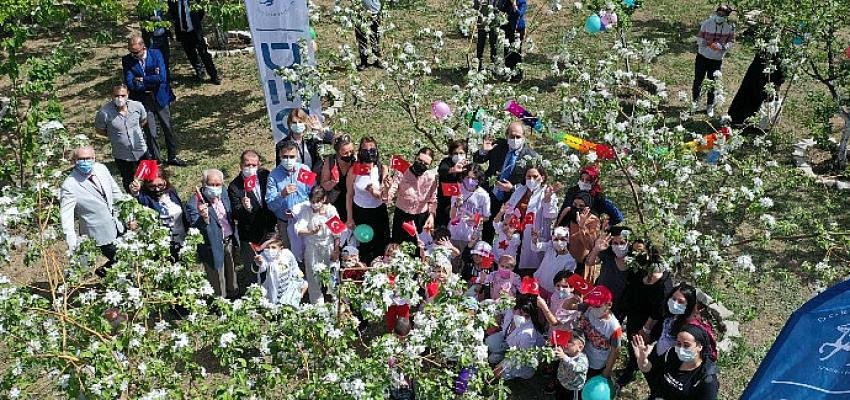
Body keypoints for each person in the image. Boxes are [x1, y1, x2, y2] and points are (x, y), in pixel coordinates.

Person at [60, 146, 126, 271]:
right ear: (74, 160)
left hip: (118, 223)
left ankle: (104, 272)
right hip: (99, 233)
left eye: (88, 158)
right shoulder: (69, 185)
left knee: (126, 258)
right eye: (81, 159)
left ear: (94, 158)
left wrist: (127, 215)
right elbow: (66, 218)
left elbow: (115, 192)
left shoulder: (101, 169)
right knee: (121, 262)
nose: (85, 162)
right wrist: (72, 243)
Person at [122, 35, 185, 166]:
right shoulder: (127, 60)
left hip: (160, 96)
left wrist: (141, 79)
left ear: (143, 46)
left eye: (136, 51)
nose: (134, 54)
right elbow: (130, 83)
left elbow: (162, 77)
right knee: (150, 132)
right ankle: (157, 160)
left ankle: (172, 156)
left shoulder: (156, 54)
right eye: (131, 52)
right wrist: (149, 79)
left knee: (167, 127)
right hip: (143, 99)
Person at [617, 244, 673, 388]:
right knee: (631, 344)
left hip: (647, 323)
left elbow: (658, 311)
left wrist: (646, 330)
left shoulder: (664, 285)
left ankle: (631, 371)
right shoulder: (640, 266)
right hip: (634, 314)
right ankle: (632, 365)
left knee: (639, 346)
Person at [473, 121, 537, 242]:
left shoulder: (531, 156)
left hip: (512, 199)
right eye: (512, 136)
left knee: (508, 234)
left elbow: (531, 180)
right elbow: (477, 159)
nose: (515, 139)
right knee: (488, 228)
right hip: (491, 194)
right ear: (507, 135)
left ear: (524, 137)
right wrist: (484, 150)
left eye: (518, 137)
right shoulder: (498, 145)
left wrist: (513, 188)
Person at [185, 169, 239, 298]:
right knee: (217, 276)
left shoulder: (224, 193)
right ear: (203, 184)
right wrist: (204, 218)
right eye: (211, 184)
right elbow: (194, 228)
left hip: (228, 240)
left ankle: (234, 294)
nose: (215, 188)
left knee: (231, 270)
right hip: (212, 245)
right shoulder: (194, 204)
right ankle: (220, 301)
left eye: (218, 184)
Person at [632, 325, 719, 400]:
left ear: (699, 347)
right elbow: (653, 373)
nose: (681, 349)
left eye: (686, 345)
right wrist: (642, 361)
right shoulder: (672, 354)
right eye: (678, 344)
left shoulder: (707, 380)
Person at [227, 150, 277, 281]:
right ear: (241, 166)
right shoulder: (234, 186)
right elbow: (236, 213)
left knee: (272, 264)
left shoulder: (265, 175)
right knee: (253, 268)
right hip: (250, 234)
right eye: (247, 165)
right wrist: (246, 208)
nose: (250, 168)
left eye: (254, 165)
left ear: (259, 165)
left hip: (269, 229)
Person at [503, 165, 560, 274]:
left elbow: (551, 215)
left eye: (535, 176)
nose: (531, 180)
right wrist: (507, 222)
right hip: (515, 233)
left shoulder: (547, 192)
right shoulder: (520, 190)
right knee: (512, 263)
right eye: (528, 177)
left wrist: (547, 199)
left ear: (542, 178)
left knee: (530, 269)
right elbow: (509, 207)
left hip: (533, 235)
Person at [94, 84, 149, 190]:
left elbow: (143, 120)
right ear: (112, 96)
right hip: (121, 154)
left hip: (141, 149)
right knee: (128, 180)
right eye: (116, 96)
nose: (120, 98)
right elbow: (100, 130)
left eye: (123, 95)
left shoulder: (137, 106)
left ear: (128, 94)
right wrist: (116, 135)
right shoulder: (104, 113)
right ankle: (133, 200)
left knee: (149, 175)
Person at [345, 136, 390, 264]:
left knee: (381, 245)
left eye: (372, 149)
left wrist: (385, 187)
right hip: (361, 213)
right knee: (364, 245)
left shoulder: (382, 168)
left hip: (379, 212)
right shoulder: (354, 170)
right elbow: (349, 195)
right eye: (365, 150)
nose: (369, 153)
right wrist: (349, 217)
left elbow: (385, 196)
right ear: (360, 152)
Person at [266, 140, 313, 263]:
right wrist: (282, 194)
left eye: (291, 157)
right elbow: (270, 204)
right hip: (285, 222)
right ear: (280, 157)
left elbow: (313, 192)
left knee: (309, 251)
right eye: (285, 157)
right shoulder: (273, 176)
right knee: (290, 254)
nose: (288, 160)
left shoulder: (305, 169)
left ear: (297, 156)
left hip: (304, 218)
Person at [293, 186, 341, 304]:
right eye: (312, 202)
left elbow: (337, 232)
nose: (315, 204)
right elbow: (299, 229)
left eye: (317, 201)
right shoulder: (306, 210)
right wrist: (311, 232)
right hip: (312, 247)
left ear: (324, 199)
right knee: (313, 276)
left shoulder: (331, 210)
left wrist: (336, 250)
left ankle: (336, 300)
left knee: (333, 274)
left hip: (328, 245)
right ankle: (317, 304)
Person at [128, 169, 186, 260]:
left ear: (165, 182)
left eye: (160, 185)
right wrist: (135, 192)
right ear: (146, 186)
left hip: (182, 238)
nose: (157, 189)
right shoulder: (146, 198)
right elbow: (138, 198)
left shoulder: (171, 192)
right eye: (152, 186)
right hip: (163, 244)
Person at [386, 147, 438, 246]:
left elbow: (433, 200)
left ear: (429, 165)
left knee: (419, 247)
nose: (421, 164)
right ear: (415, 158)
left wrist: (431, 216)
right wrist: (386, 189)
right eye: (420, 160)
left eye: (426, 164)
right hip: (402, 216)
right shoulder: (402, 172)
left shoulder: (431, 178)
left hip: (421, 218)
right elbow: (390, 193)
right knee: (398, 247)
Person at [487, 294, 545, 380]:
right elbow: (497, 307)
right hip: (510, 344)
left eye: (527, 316)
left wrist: (503, 365)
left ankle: (524, 372)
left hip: (521, 357)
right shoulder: (511, 310)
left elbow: (520, 356)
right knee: (490, 342)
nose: (522, 318)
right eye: (521, 313)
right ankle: (502, 355)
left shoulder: (527, 335)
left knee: (498, 372)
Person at [692, 4, 735, 118]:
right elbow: (699, 38)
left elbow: (731, 42)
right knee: (698, 80)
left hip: (716, 60)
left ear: (726, 16)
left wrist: (722, 47)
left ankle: (709, 104)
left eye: (723, 15)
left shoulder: (729, 28)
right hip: (702, 56)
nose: (720, 16)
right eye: (718, 14)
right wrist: (708, 44)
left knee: (713, 83)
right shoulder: (707, 23)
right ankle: (695, 102)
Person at [585, 226, 633, 321]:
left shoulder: (635, 263)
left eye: (622, 243)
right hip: (598, 299)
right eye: (615, 243)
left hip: (617, 307)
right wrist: (596, 249)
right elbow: (589, 262)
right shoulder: (607, 255)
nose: (619, 246)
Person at [168, 0, 220, 84]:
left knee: (203, 53)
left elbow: (201, 12)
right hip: (183, 32)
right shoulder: (173, 1)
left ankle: (214, 75)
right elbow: (173, 14)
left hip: (195, 31)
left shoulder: (194, 1)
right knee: (190, 54)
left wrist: (196, 22)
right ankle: (200, 72)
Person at [728, 51, 785, 127]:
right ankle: (738, 118)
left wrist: (779, 82)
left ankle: (758, 123)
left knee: (765, 95)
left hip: (776, 68)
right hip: (761, 62)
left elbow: (797, 42)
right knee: (750, 88)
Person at [577, 285, 622, 379]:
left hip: (596, 363)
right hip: (582, 354)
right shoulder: (589, 310)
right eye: (591, 305)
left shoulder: (614, 328)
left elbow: (615, 351)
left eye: (597, 306)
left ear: (609, 305)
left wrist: (607, 370)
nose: (593, 309)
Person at [556, 165, 623, 227]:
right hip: (567, 231)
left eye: (588, 180)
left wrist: (604, 225)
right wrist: (556, 227)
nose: (584, 182)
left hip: (587, 234)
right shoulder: (572, 191)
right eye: (582, 179)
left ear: (594, 181)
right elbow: (563, 209)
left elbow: (618, 217)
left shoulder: (598, 198)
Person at [447, 164, 490, 259]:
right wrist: (456, 205)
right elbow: (451, 215)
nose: (470, 180)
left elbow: (486, 217)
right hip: (454, 233)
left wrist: (476, 218)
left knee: (466, 261)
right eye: (467, 177)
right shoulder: (458, 189)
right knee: (453, 259)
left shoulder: (483, 195)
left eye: (473, 178)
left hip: (471, 236)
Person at [253, 236, 308, 307]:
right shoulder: (263, 257)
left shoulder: (287, 254)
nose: (270, 250)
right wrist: (258, 263)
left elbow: (295, 269)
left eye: (273, 247)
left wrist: (302, 283)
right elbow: (260, 267)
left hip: (288, 294)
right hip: (270, 297)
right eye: (267, 247)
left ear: (281, 248)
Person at [559, 192, 601, 277]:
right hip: (563, 258)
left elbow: (590, 246)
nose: (577, 208)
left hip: (580, 263)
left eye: (581, 206)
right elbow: (557, 228)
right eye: (575, 204)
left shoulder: (593, 220)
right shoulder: (568, 212)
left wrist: (582, 226)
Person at [320, 134, 356, 223]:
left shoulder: (356, 159)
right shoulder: (330, 162)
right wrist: (333, 182)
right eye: (345, 153)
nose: (349, 154)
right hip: (336, 201)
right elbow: (324, 185)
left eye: (351, 151)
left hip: (354, 200)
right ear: (337, 152)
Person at [531, 227, 577, 296]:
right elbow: (536, 247)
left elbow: (566, 279)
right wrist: (535, 239)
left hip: (552, 291)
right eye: (556, 239)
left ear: (567, 240)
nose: (559, 242)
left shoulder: (570, 261)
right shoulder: (550, 247)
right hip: (538, 283)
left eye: (562, 239)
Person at [436, 140, 469, 227]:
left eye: (461, 153)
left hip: (460, 204)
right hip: (444, 202)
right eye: (455, 153)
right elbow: (442, 170)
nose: (458, 156)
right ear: (451, 154)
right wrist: (452, 170)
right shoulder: (446, 162)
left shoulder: (468, 166)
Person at [554, 331, 589, 400]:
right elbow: (555, 359)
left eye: (570, 342)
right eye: (566, 340)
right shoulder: (565, 352)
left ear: (580, 348)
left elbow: (576, 367)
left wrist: (564, 357)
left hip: (573, 388)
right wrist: (554, 353)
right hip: (562, 383)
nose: (566, 343)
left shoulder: (582, 359)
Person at [139, 6, 171, 79]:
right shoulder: (143, 6)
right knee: (153, 60)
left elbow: (168, 16)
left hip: (163, 37)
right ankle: (155, 79)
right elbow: (142, 21)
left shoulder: (162, 4)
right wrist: (151, 19)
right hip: (152, 38)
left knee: (165, 58)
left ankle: (167, 78)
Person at [355, 0, 383, 70]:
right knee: (361, 37)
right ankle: (364, 61)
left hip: (374, 12)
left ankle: (376, 59)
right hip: (360, 12)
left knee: (375, 37)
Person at [473, 0, 498, 70]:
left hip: (494, 23)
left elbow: (501, 6)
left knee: (494, 44)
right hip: (482, 23)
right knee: (480, 43)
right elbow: (475, 7)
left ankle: (494, 65)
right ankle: (478, 64)